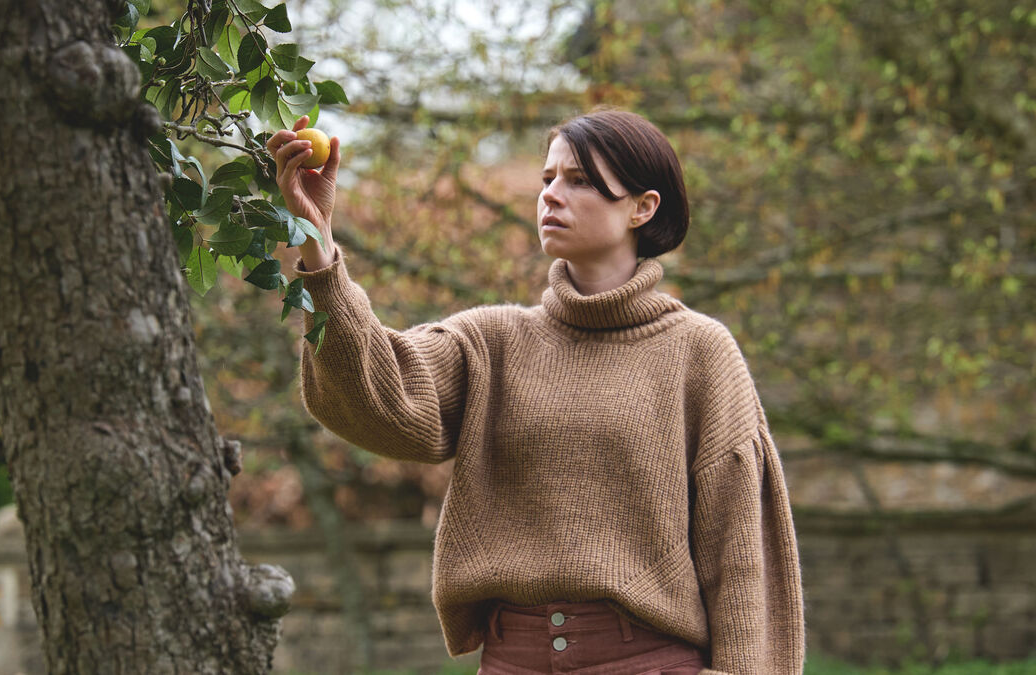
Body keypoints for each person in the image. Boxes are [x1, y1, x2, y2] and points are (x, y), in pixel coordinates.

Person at [268, 109, 805, 675]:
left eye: (578, 181)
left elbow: (744, 557)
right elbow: (377, 398)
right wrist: (318, 242)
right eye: (547, 178)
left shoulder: (699, 352)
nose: (551, 195)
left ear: (642, 208)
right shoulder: (493, 341)